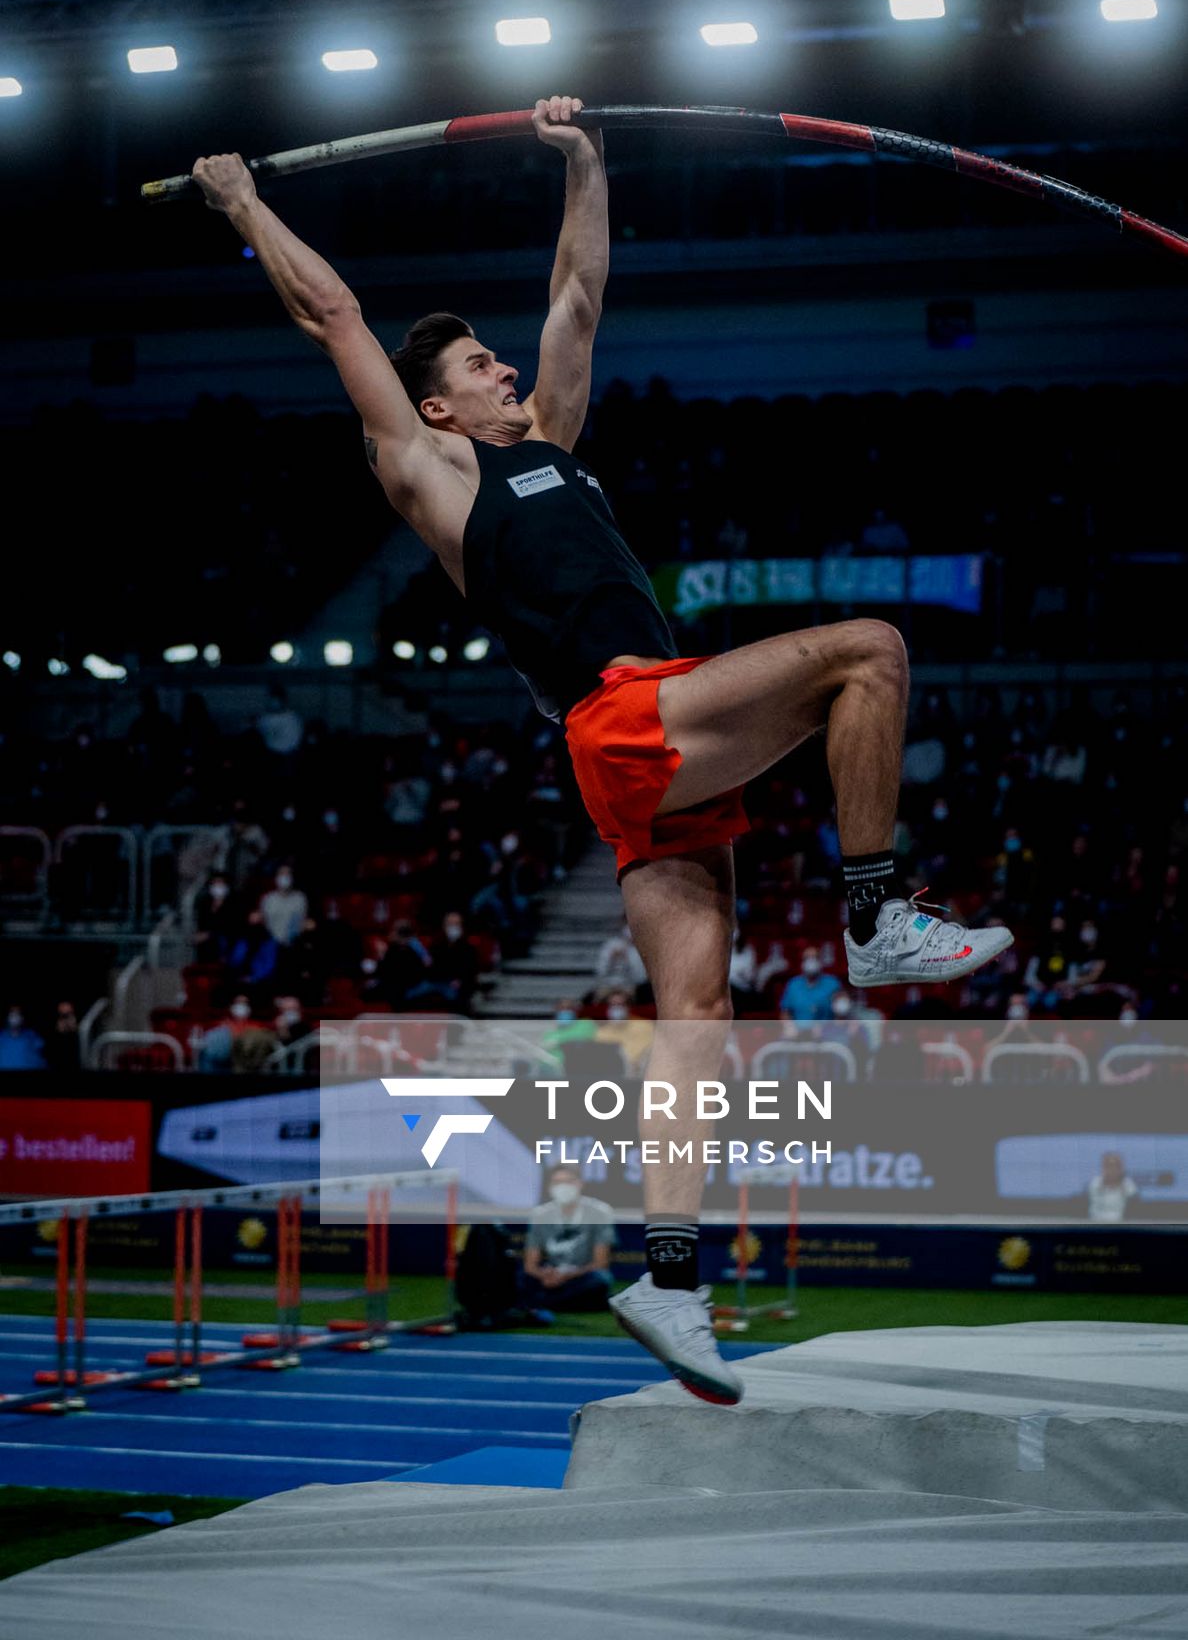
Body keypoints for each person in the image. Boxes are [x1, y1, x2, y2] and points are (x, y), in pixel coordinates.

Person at [192, 94, 1011, 1406]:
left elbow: (577, 293)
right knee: (872, 649)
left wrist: (586, 157)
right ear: (436, 411)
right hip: (627, 717)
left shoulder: (553, 452)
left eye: (494, 362)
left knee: (698, 1025)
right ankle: (876, 914)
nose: (503, 368)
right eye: (475, 370)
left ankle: (667, 1280)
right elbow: (334, 319)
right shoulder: (435, 477)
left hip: (652, 745)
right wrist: (241, 202)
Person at [520, 1165, 616, 1315]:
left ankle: (542, 1302)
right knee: (522, 1277)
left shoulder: (600, 1212)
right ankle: (571, 1303)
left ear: (580, 1183)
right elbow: (530, 1265)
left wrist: (565, 1276)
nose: (563, 1187)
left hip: (581, 1276)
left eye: (569, 1181)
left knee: (599, 1280)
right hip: (550, 1275)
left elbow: (600, 1263)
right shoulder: (540, 1214)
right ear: (550, 1186)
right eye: (557, 1182)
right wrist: (544, 1275)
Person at [778, 947, 842, 1023]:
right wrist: (789, 1028)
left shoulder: (832, 983)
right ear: (802, 962)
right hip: (799, 1031)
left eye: (815, 958)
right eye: (807, 958)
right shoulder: (793, 984)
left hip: (825, 1030)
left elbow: (841, 1013)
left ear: (820, 961)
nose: (811, 961)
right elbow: (785, 1011)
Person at [1087, 1150, 1138, 1223]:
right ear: (1103, 1167)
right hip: (1096, 1222)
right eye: (1108, 1166)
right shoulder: (1095, 1183)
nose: (1112, 1169)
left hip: (1121, 1224)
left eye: (1116, 1166)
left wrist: (1120, 1185)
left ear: (1121, 1168)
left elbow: (1133, 1205)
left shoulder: (1128, 1184)